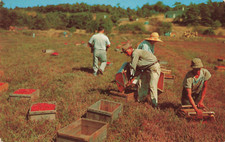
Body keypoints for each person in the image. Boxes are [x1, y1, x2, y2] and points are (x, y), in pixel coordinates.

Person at [121, 44, 161, 108]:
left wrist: (131, 77)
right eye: (124, 53)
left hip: (154, 68)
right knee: (141, 82)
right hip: (146, 68)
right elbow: (138, 67)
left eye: (126, 52)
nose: (126, 54)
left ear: (130, 49)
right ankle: (141, 100)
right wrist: (133, 76)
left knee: (152, 85)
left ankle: (154, 105)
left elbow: (133, 66)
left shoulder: (135, 53)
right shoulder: (135, 53)